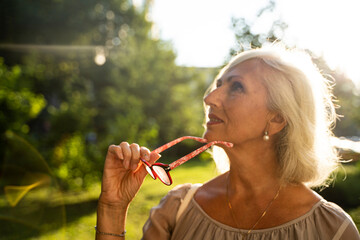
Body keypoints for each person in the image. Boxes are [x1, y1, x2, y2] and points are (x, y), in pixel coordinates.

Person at [95, 45, 360, 239]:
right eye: (218, 85)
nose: (210, 98)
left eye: (236, 87)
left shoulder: (332, 230)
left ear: (277, 118)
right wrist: (113, 207)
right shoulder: (178, 209)